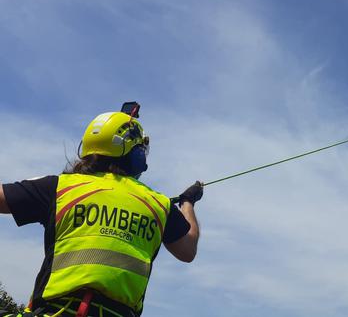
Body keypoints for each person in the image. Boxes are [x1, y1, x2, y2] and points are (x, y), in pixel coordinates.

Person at [0, 102, 204, 317]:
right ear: (137, 156)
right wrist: (187, 202)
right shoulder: (158, 204)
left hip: (57, 311)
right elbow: (187, 250)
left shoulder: (60, 187)